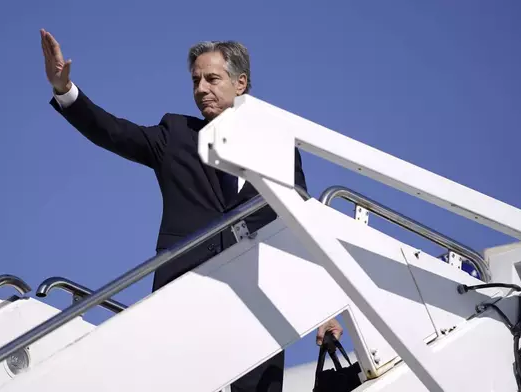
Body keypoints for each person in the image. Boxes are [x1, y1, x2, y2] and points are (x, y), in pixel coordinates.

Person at [40, 29, 343, 391]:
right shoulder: (176, 135)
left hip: (258, 306)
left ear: (240, 83)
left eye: (212, 79)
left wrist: (325, 311)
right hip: (185, 297)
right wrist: (65, 90)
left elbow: (298, 230)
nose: (201, 88)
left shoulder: (279, 149)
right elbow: (114, 132)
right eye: (196, 80)